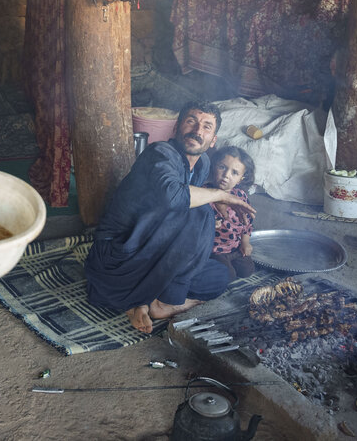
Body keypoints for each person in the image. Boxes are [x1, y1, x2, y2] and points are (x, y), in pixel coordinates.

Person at [84, 101, 256, 334]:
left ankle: (144, 299)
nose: (197, 131)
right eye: (191, 122)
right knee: (201, 213)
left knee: (220, 276)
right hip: (121, 253)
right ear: (176, 128)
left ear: (213, 140)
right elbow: (173, 197)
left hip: (157, 252)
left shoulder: (203, 163)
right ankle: (163, 302)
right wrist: (218, 195)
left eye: (206, 127)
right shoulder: (160, 154)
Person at [207, 146, 256, 281]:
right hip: (214, 251)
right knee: (228, 276)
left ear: (241, 178)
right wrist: (209, 224)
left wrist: (245, 243)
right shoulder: (205, 194)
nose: (226, 175)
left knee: (248, 270)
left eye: (234, 172)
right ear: (214, 166)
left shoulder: (240, 196)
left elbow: (247, 225)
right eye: (222, 167)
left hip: (234, 248)